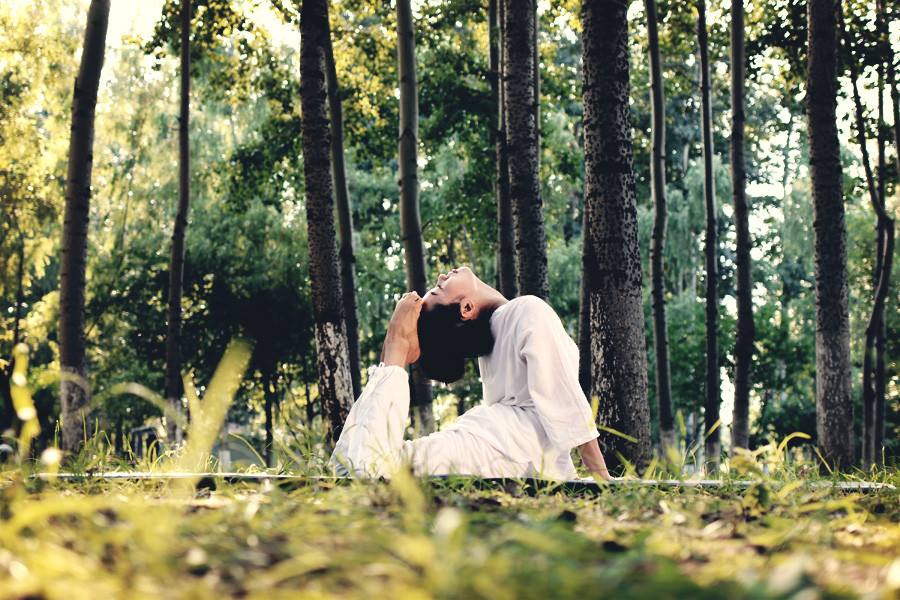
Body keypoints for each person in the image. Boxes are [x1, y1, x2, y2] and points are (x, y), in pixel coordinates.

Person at [330, 266, 613, 481]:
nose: (441, 276)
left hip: (505, 442)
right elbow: (563, 396)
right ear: (466, 308)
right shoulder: (528, 309)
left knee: (372, 464)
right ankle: (397, 349)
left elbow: (558, 399)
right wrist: (602, 477)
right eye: (440, 289)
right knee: (372, 466)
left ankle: (396, 351)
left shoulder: (499, 329)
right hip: (506, 441)